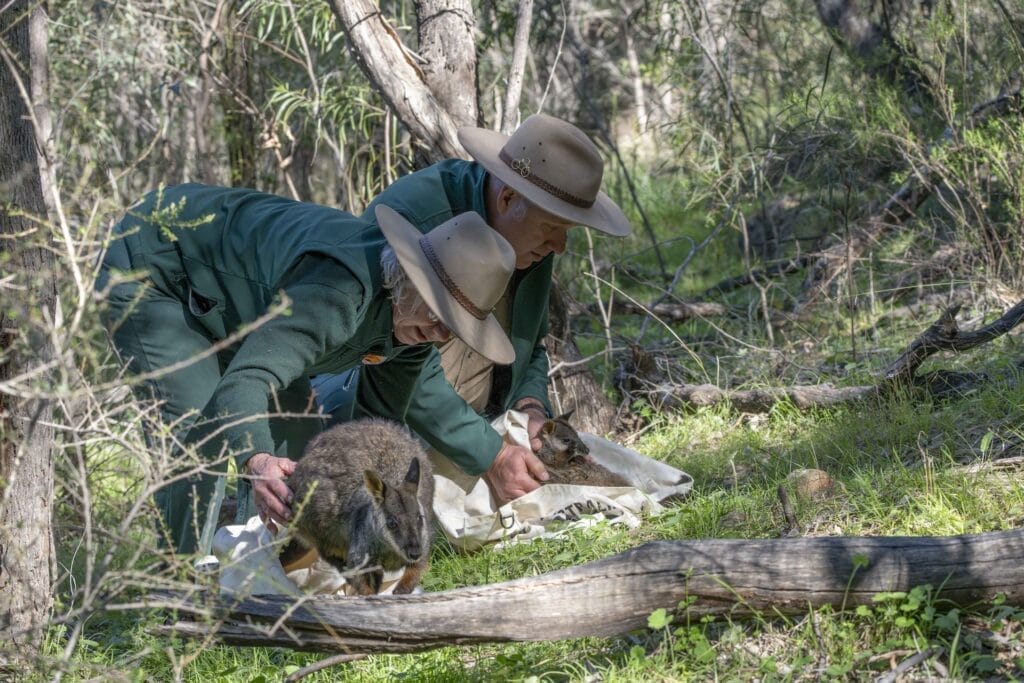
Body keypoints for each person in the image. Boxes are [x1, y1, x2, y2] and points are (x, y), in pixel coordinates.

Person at [97, 184, 516, 554]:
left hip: (245, 310)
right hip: (159, 269)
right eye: (440, 313)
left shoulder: (413, 328)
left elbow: (375, 424)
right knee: (198, 431)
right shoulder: (335, 294)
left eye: (456, 326)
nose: (443, 334)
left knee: (297, 447)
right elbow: (247, 381)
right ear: (409, 277)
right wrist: (256, 461)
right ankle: (184, 596)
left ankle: (271, 578)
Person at [310, 113, 634, 508]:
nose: (560, 246)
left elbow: (529, 344)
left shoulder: (532, 235)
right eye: (554, 227)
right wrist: (491, 454)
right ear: (509, 197)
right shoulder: (419, 219)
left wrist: (530, 406)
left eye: (567, 231)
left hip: (463, 419)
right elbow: (397, 362)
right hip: (354, 399)